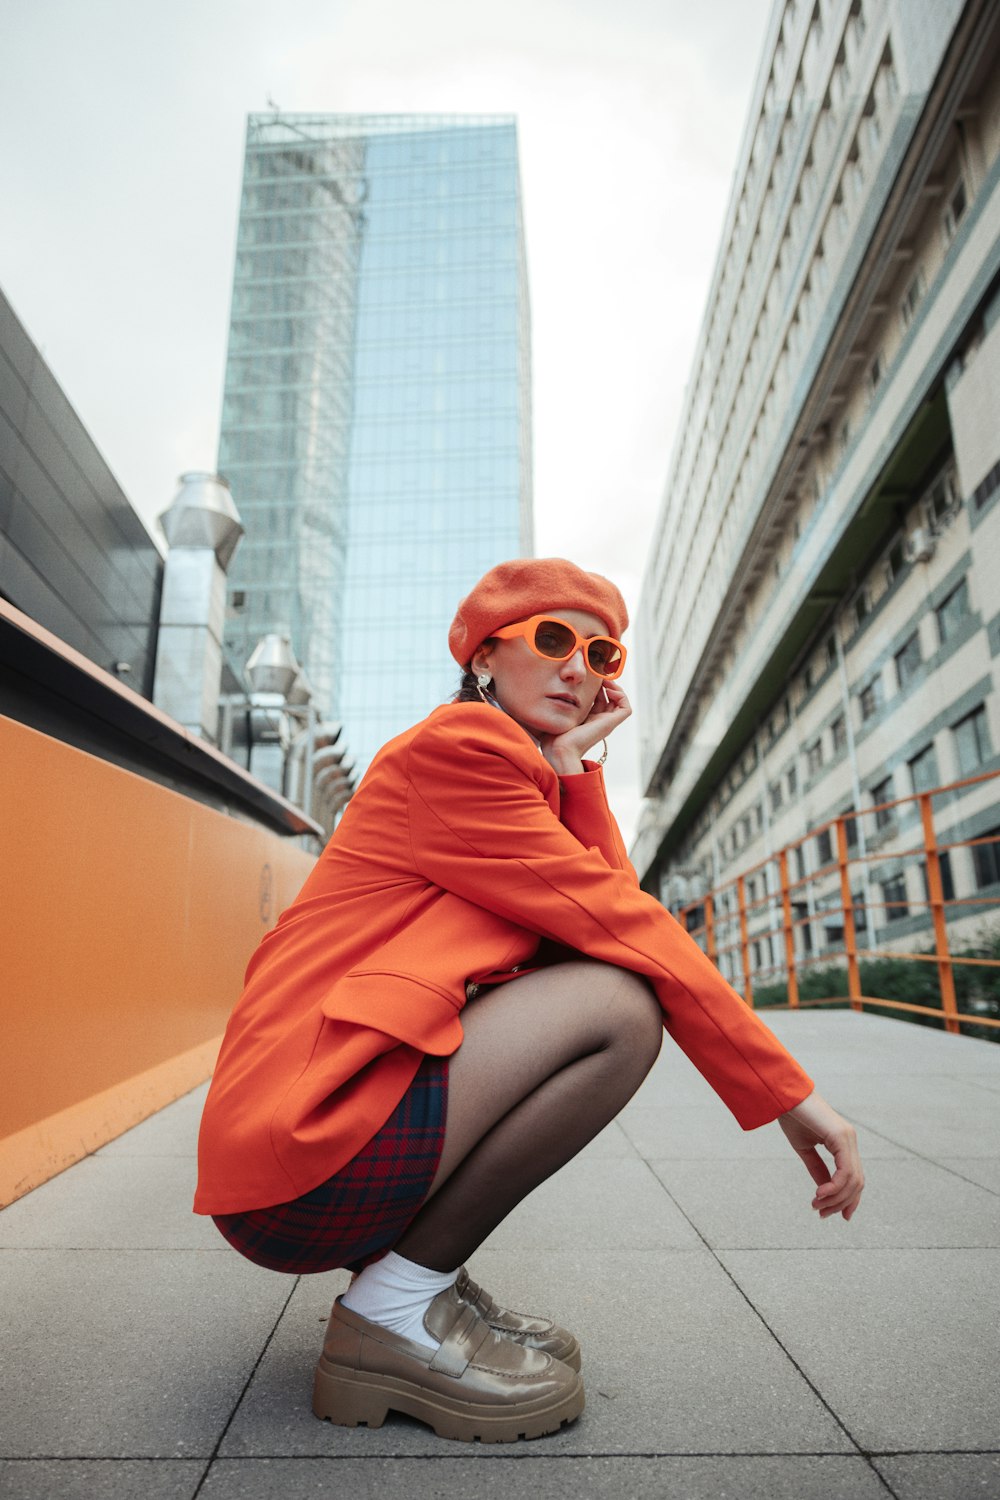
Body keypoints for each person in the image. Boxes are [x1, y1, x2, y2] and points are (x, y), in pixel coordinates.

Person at [194, 556, 864, 1445]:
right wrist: (792, 1097)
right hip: (306, 1146)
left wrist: (573, 771)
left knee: (613, 991)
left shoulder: (524, 776)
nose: (579, 669)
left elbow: (596, 909)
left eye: (602, 656)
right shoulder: (459, 752)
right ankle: (392, 1309)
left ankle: (413, 1283)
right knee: (619, 1014)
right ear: (483, 659)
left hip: (321, 1129)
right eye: (553, 641)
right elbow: (622, 929)